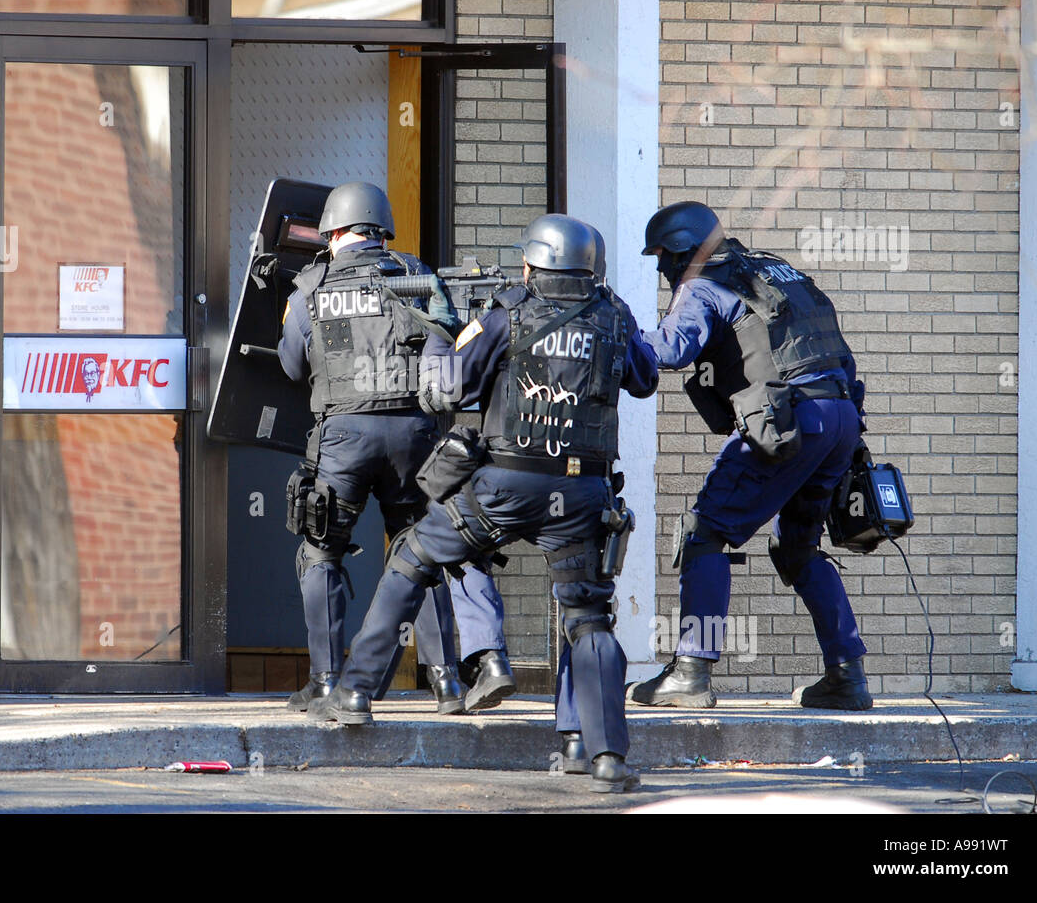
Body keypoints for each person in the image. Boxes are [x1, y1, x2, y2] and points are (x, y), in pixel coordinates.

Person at [309, 214, 658, 794]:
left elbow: (452, 388)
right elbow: (644, 378)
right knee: (587, 618)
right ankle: (596, 754)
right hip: (579, 494)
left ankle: (353, 692)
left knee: (413, 557)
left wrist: (447, 330)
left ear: (531, 263)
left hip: (503, 487)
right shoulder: (614, 314)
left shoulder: (508, 309)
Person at [277, 181, 510, 716]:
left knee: (321, 549)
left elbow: (291, 367)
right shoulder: (418, 276)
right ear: (382, 230)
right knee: (421, 550)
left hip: (344, 436)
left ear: (334, 232)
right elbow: (449, 348)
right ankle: (448, 684)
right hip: (416, 435)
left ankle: (329, 681)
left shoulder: (310, 285)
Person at [628, 201, 872, 710]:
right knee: (798, 549)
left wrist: (614, 332)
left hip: (787, 420)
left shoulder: (704, 283)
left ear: (682, 251)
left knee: (704, 535)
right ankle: (846, 676)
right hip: (840, 417)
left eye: (663, 258)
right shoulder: (778, 270)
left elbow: (670, 350)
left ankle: (691, 672)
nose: (660, 269)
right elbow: (837, 349)